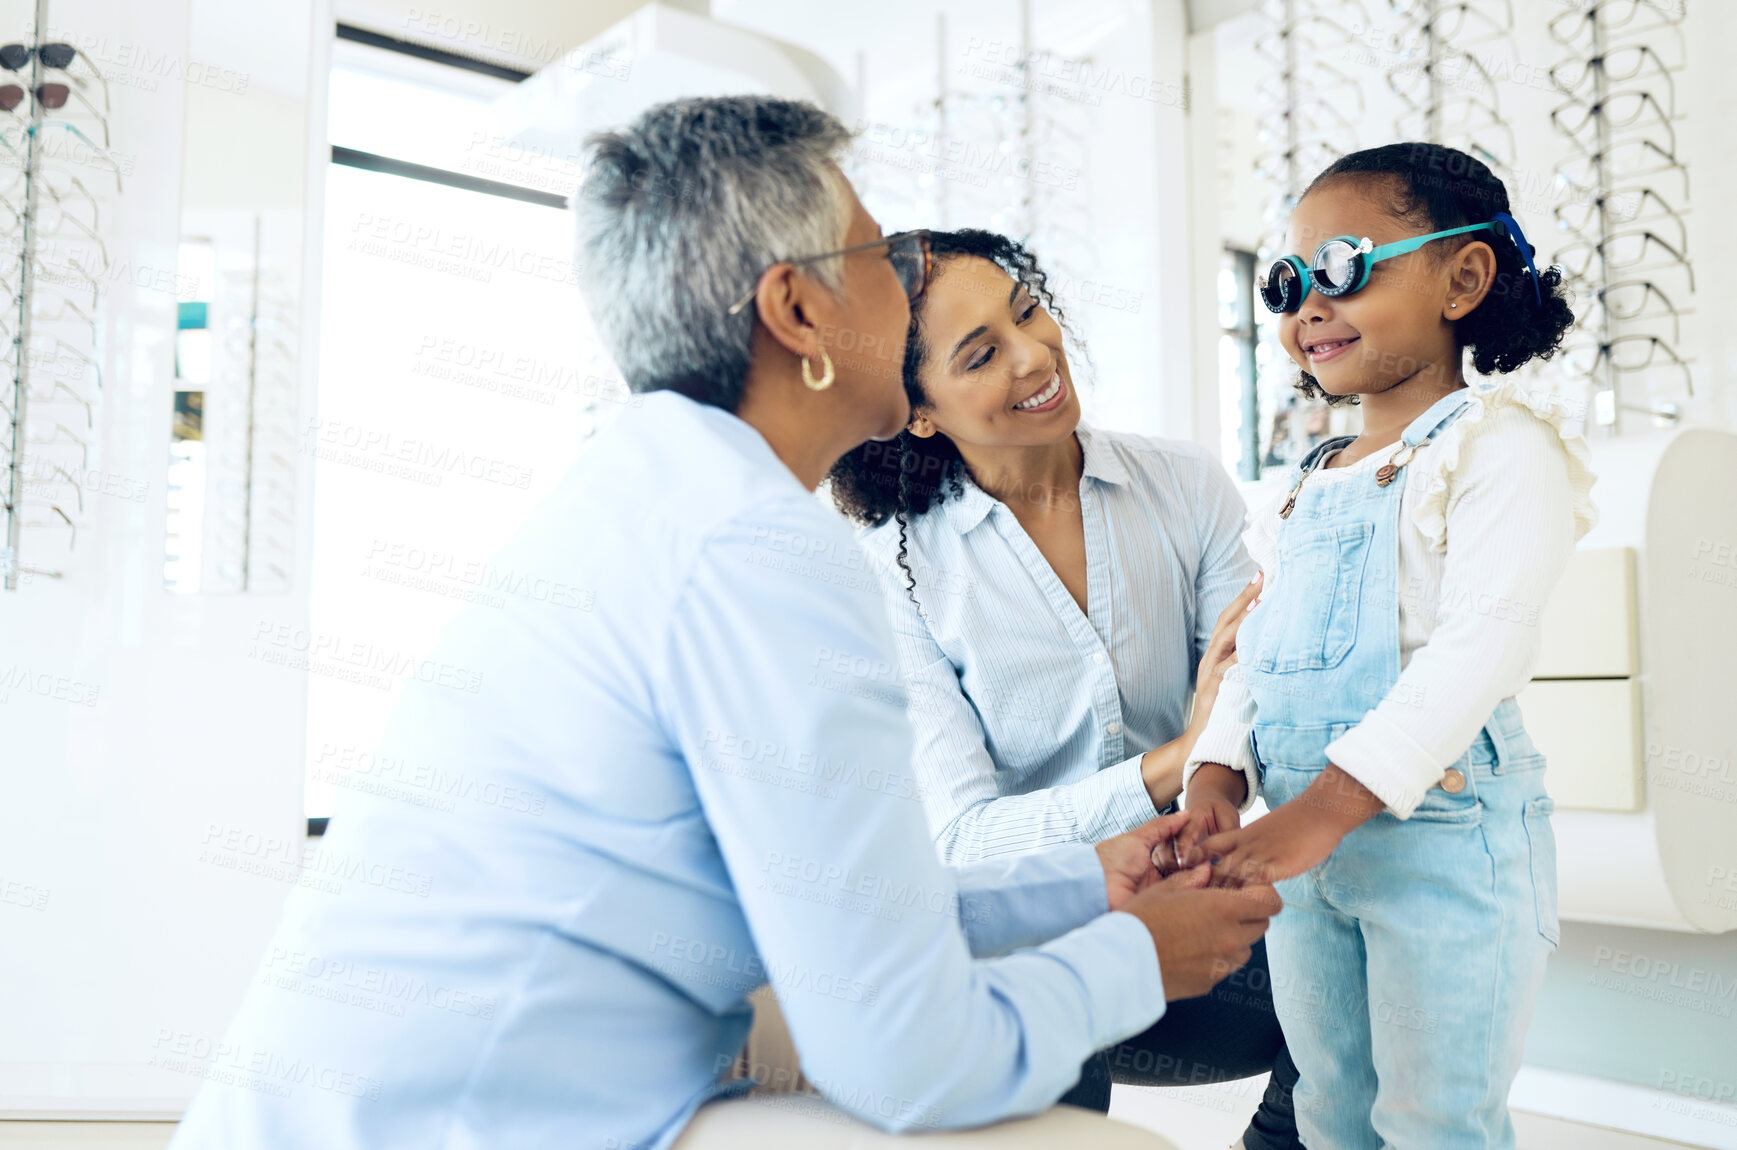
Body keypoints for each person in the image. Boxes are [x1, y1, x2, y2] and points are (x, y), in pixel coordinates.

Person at [166, 97, 1280, 1150]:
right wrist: (1136, 953)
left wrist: (1089, 880)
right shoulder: (758, 553)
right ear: (798, 310)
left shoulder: (653, 495)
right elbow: (906, 1053)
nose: (905, 291)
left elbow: (849, 902)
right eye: (876, 255)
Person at [827, 229, 1300, 1150]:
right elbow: (965, 840)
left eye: (1026, 310)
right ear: (915, 411)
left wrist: (1210, 784)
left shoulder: (1184, 482)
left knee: (1360, 955)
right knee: (1023, 975)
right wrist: (1173, 760)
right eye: (981, 354)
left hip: (1207, 901)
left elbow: (1244, 688)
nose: (1035, 354)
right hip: (1044, 937)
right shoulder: (892, 574)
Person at [1177, 142, 1595, 1150]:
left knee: (1430, 1116)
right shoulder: (1302, 476)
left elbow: (1477, 651)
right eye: (1290, 283)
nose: (1308, 306)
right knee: (1328, 1102)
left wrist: (1325, 807)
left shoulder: (1501, 451)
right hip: (1311, 858)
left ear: (1463, 278)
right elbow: (1259, 643)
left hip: (1445, 847)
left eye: (1344, 267)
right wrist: (1214, 775)